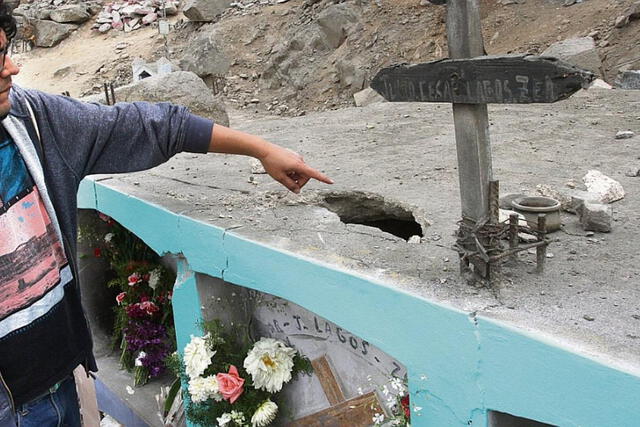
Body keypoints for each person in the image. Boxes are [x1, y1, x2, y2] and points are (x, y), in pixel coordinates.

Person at [0, 2, 332, 425]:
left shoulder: (34, 121)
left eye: (6, 49)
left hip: (57, 385)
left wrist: (260, 149)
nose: (10, 68)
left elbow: (149, 126)